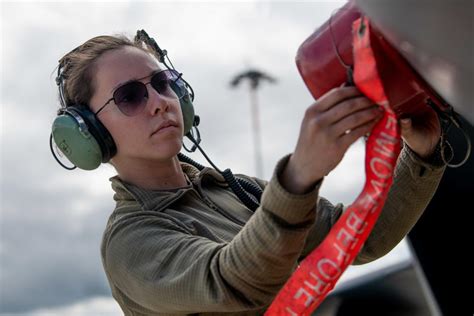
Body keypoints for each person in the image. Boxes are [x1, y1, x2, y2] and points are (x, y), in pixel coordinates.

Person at [52, 32, 446, 315]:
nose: (159, 103)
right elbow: (232, 283)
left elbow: (363, 239)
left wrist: (421, 152)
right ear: (92, 135)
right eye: (130, 96)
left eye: (162, 84)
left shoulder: (235, 190)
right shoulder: (131, 242)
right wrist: (296, 179)